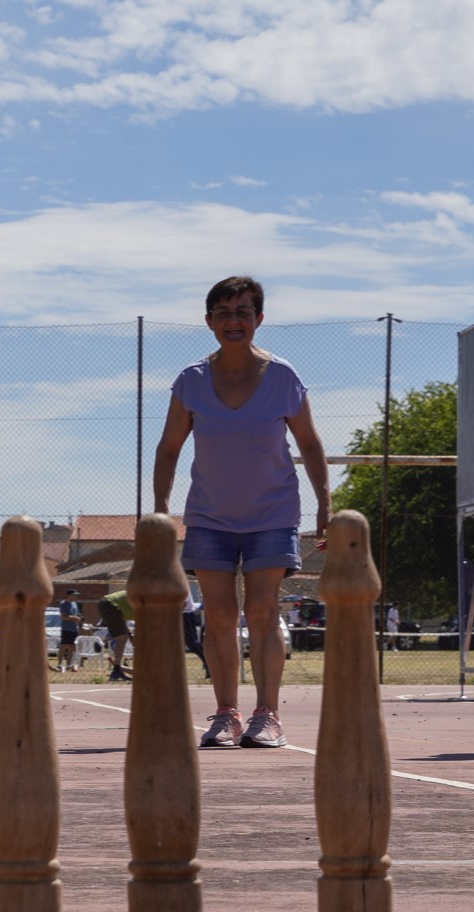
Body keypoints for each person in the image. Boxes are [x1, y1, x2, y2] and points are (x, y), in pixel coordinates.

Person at [153, 275, 329, 749]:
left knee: (263, 607)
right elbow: (168, 448)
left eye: (244, 312)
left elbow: (310, 444)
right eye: (225, 313)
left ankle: (267, 714)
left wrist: (324, 508)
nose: (234, 321)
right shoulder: (190, 380)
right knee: (219, 613)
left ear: (259, 319)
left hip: (272, 513)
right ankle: (226, 714)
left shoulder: (284, 377)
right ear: (209, 321)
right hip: (209, 516)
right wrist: (161, 512)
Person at [98, 587, 132, 681]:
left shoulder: (131, 608)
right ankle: (116, 671)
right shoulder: (146, 606)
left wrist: (131, 637)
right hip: (110, 604)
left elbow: (123, 622)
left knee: (122, 636)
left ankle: (117, 670)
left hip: (107, 604)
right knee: (122, 637)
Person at [182, 588, 210, 678]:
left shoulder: (180, 581)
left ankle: (209, 665)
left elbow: (183, 603)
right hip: (178, 614)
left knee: (192, 643)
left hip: (185, 615)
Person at [54, 598, 82, 673]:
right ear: (69, 595)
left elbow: (78, 614)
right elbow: (63, 617)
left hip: (74, 629)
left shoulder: (74, 604)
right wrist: (74, 618)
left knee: (72, 646)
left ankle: (68, 664)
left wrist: (79, 618)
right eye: (74, 595)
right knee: (64, 645)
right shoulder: (63, 604)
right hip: (66, 629)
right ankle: (59, 664)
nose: (75, 596)